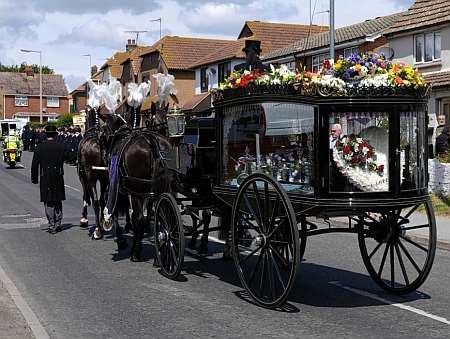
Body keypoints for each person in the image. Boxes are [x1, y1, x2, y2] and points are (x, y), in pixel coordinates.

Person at [31, 125, 66, 233]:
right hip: (58, 175)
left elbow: (34, 165)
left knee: (48, 201)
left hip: (45, 175)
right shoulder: (60, 146)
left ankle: (52, 224)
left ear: (46, 135)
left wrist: (34, 178)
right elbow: (65, 159)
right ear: (55, 135)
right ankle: (58, 222)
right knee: (57, 199)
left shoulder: (40, 147)